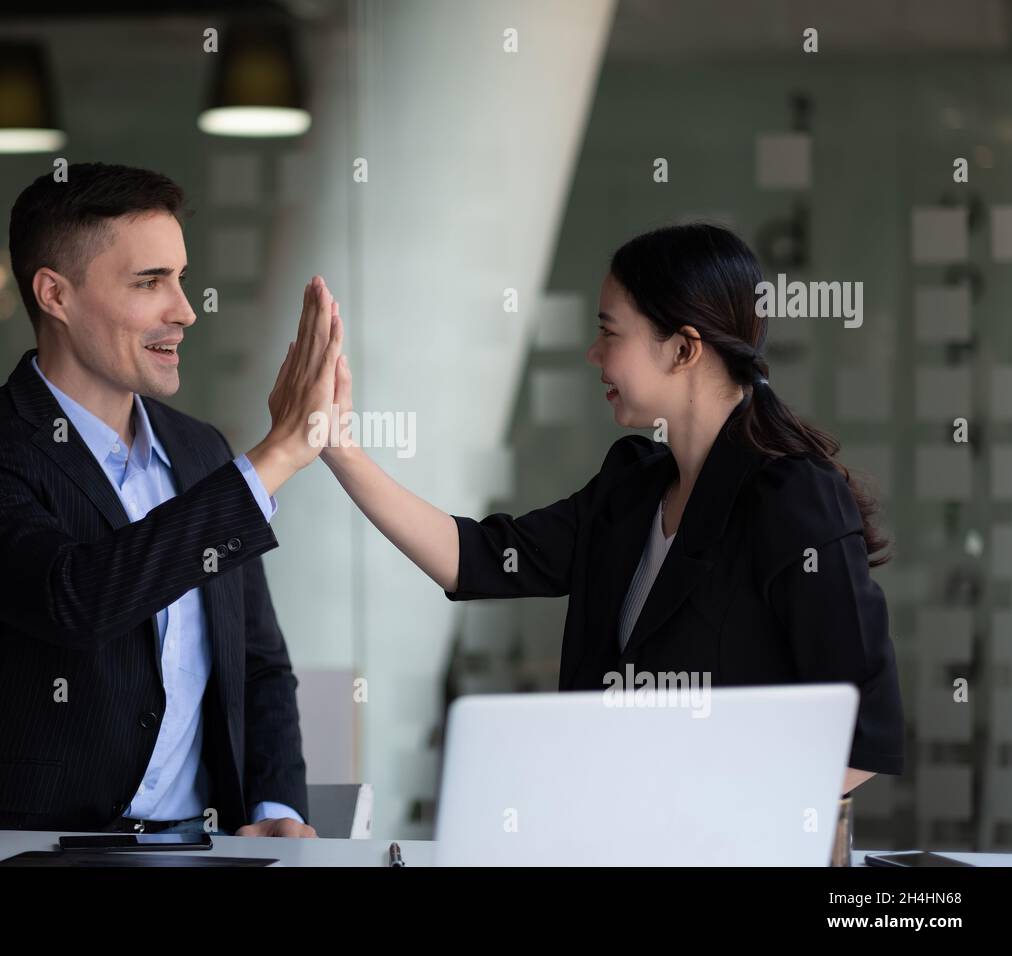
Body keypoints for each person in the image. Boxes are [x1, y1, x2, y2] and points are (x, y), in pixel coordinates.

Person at [321, 222, 904, 793]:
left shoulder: (793, 497)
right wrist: (339, 449)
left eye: (610, 333)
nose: (592, 352)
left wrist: (717, 826)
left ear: (682, 348)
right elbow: (476, 558)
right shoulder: (631, 487)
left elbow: (864, 735)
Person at [0, 163, 342, 835]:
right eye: (149, 282)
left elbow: (257, 664)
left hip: (194, 848)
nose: (184, 310)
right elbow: (75, 598)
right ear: (55, 294)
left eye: (181, 279)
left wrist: (275, 806)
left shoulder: (201, 455)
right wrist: (277, 454)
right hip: (16, 855)